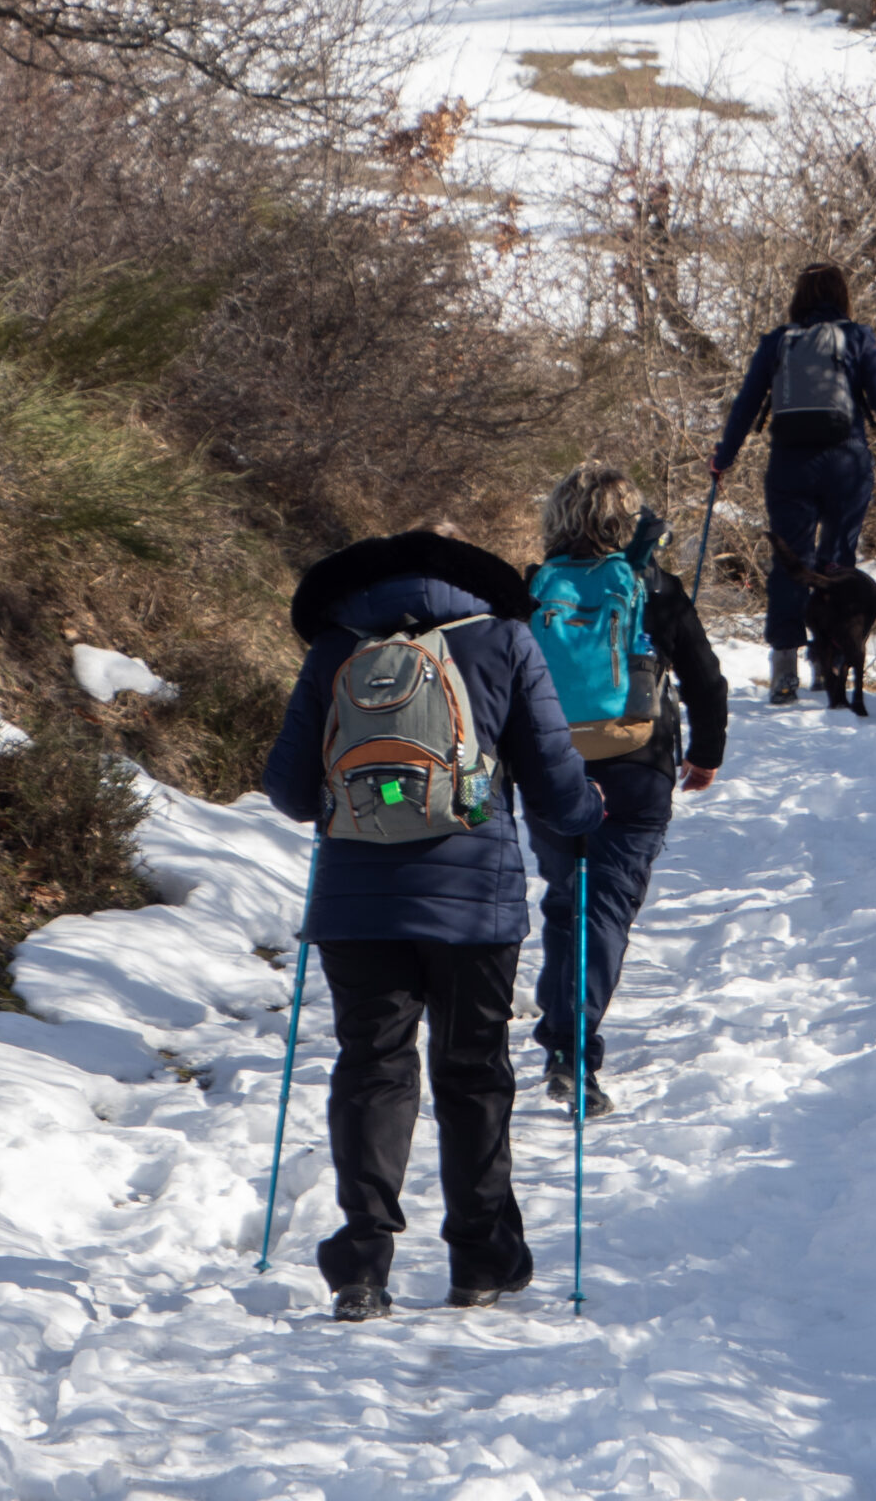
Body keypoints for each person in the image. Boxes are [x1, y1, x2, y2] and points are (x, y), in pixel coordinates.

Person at [262, 524, 604, 1322]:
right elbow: (557, 785)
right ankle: (481, 1259)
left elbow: (287, 789)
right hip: (475, 904)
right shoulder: (506, 639)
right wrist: (591, 811)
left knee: (373, 1068)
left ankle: (363, 1267)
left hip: (355, 903)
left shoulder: (335, 649)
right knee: (473, 1072)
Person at [525, 463, 728, 1115]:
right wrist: (704, 755)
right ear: (626, 521)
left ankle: (561, 1033)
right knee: (603, 908)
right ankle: (573, 1049)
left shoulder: (532, 591)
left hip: (551, 764)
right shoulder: (656, 588)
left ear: (556, 519)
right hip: (638, 766)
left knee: (567, 896)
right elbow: (706, 682)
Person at [710, 261, 876, 705]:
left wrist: (722, 459)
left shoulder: (777, 342)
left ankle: (784, 671)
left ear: (799, 298)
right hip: (847, 464)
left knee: (792, 562)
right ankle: (829, 669)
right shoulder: (858, 337)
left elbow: (746, 404)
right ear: (842, 295)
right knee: (836, 565)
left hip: (790, 467)